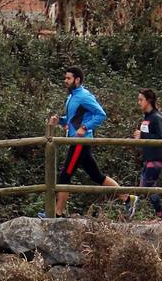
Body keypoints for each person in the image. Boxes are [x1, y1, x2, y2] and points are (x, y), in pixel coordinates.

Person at [47, 66, 125, 217]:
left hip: (80, 142)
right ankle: (127, 198)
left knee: (65, 176)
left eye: (68, 78)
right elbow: (73, 119)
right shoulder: (71, 96)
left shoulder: (84, 96)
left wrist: (85, 127)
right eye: (65, 78)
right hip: (76, 140)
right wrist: (60, 120)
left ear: (77, 80)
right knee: (96, 176)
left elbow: (101, 114)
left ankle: (57, 213)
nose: (65, 81)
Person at [126, 88, 162, 221]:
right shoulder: (146, 117)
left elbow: (161, 138)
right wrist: (138, 138)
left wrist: (143, 135)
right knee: (145, 187)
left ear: (149, 100)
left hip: (157, 158)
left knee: (147, 187)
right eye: (138, 99)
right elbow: (147, 136)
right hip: (148, 158)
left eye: (141, 99)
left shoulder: (156, 118)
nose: (138, 102)